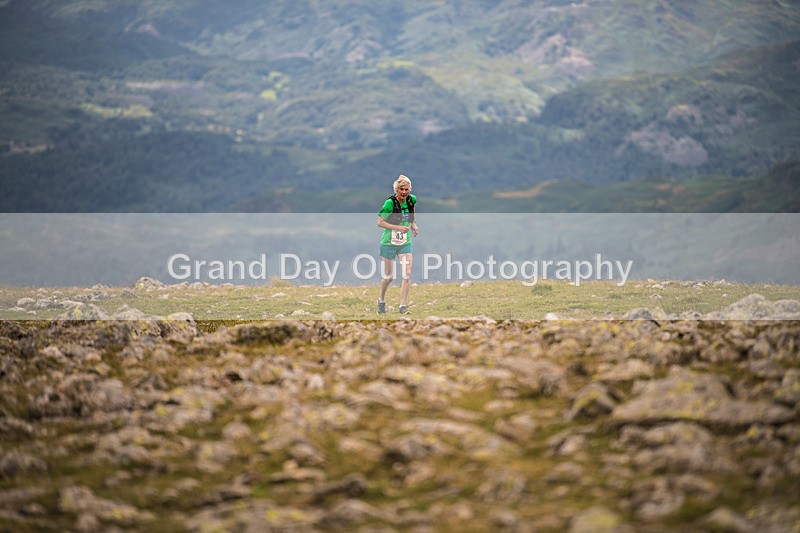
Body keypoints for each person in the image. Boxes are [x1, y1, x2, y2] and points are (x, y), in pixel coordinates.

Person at [377, 175, 419, 315]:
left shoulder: (411, 200)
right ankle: (381, 300)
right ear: (396, 190)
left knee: (407, 274)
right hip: (388, 243)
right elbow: (380, 222)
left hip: (405, 243)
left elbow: (411, 214)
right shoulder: (390, 203)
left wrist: (413, 224)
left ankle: (402, 306)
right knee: (389, 277)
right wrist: (398, 228)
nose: (404, 192)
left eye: (406, 189)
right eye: (401, 189)